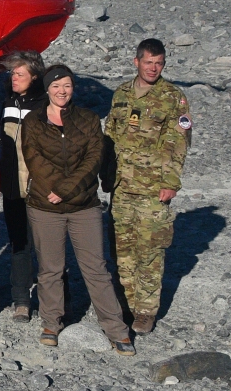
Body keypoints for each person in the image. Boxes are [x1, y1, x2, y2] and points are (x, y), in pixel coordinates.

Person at [22, 65, 135, 355]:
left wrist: (65, 190)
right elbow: (33, 158)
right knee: (50, 269)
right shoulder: (33, 121)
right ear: (47, 88)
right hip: (44, 206)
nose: (62, 91)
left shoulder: (89, 119)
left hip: (83, 206)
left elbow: (94, 158)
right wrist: (53, 190)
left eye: (68, 86)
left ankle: (115, 327)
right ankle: (51, 322)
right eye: (57, 86)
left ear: (74, 89)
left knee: (96, 269)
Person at [106, 38, 190, 335]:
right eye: (149, 62)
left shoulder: (172, 97)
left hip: (153, 189)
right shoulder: (121, 94)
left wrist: (170, 183)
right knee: (123, 250)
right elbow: (110, 135)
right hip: (121, 188)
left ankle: (145, 311)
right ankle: (127, 305)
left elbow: (178, 142)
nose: (154, 68)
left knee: (150, 251)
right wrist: (106, 174)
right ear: (136, 62)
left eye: (159, 63)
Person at [0, 51, 46, 323]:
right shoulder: (7, 101)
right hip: (13, 184)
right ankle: (21, 301)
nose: (13, 78)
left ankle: (53, 299)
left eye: (19, 74)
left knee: (46, 244)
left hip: (39, 183)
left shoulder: (46, 104)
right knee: (19, 242)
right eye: (12, 73)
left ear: (34, 77)